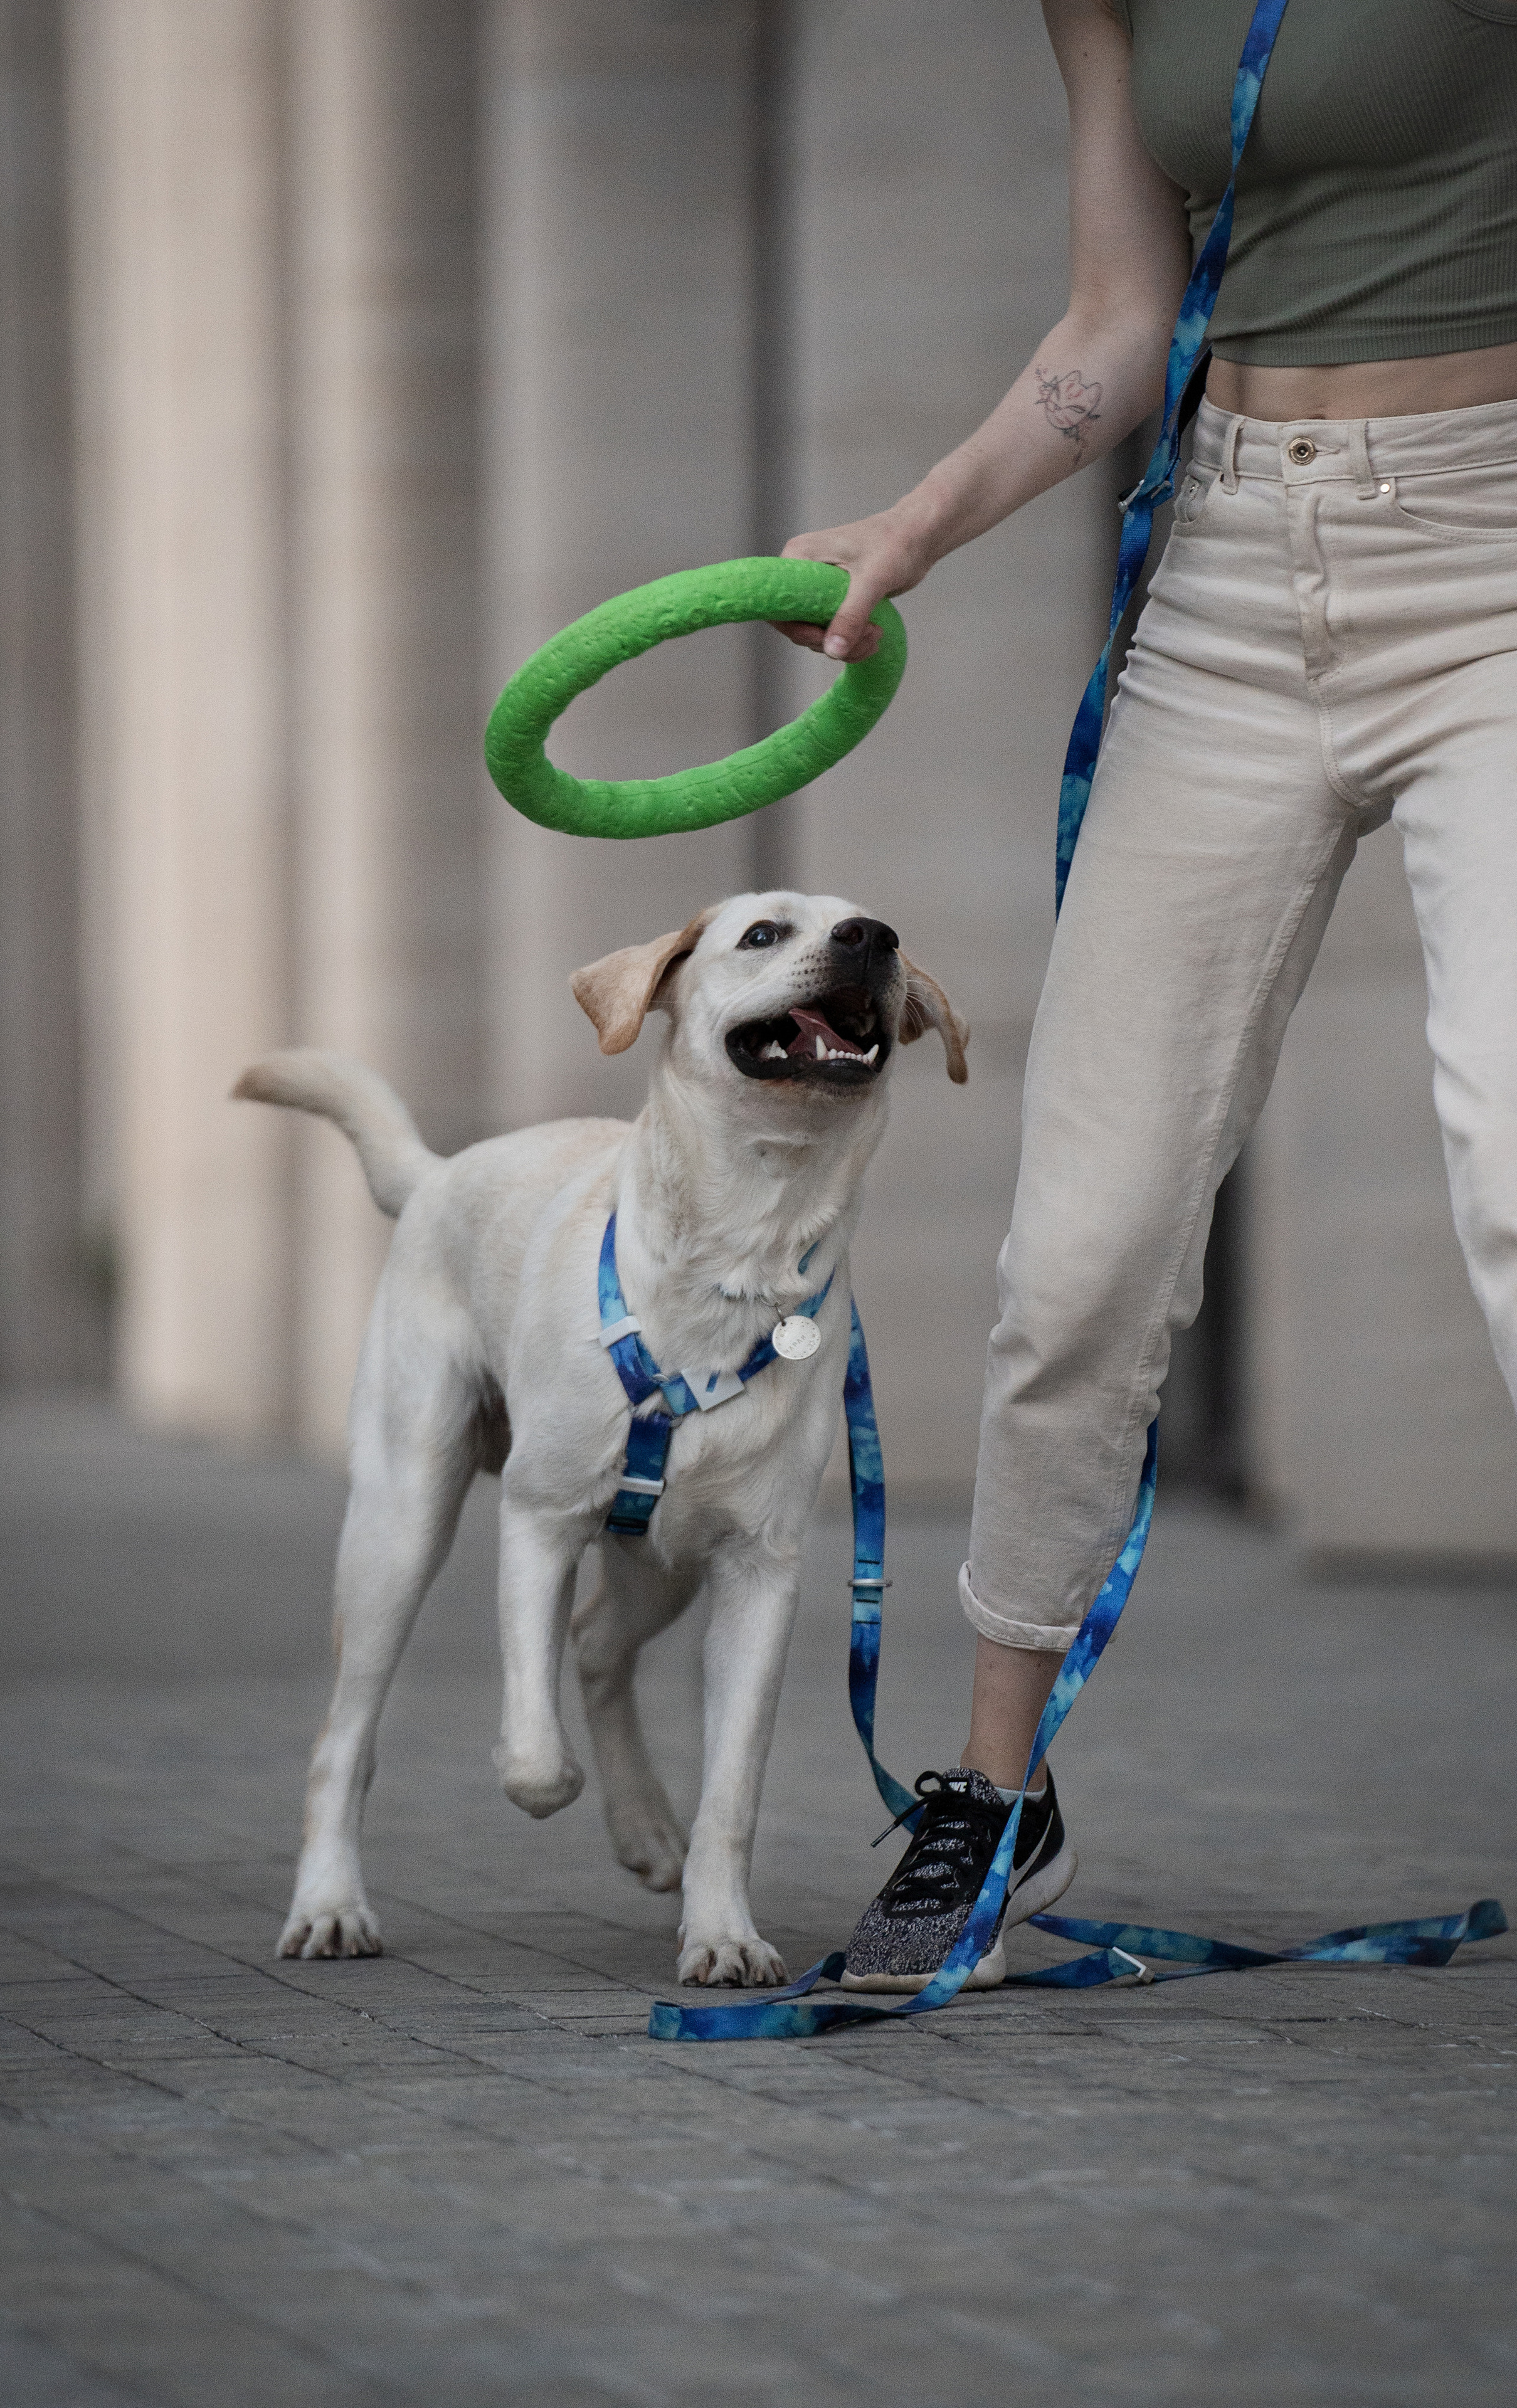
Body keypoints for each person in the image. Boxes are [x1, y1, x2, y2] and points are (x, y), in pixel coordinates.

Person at [772, 0, 1517, 1992]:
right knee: (1082, 1251)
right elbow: (1116, 325)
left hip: (1495, 549)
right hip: (1225, 579)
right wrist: (910, 529)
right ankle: (991, 1799)